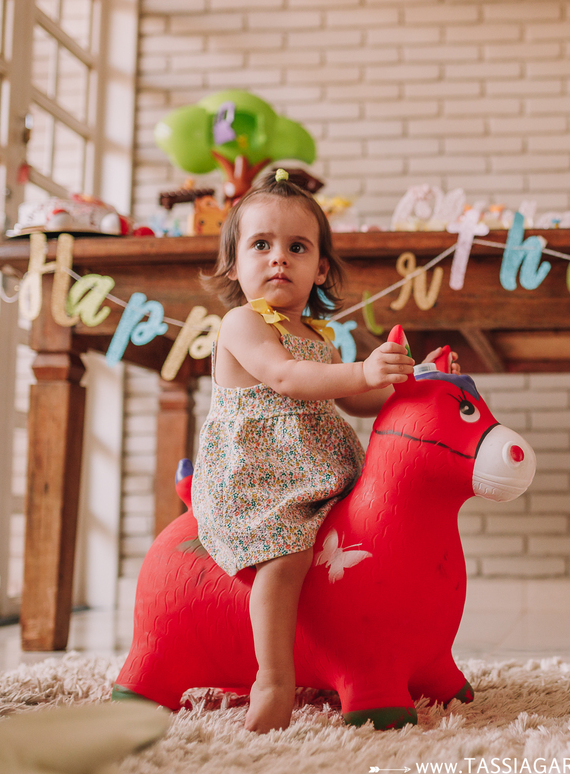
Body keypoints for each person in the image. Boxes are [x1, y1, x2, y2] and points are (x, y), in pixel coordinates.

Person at [192, 170, 454, 733]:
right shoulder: (242, 323)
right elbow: (285, 377)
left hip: (317, 475)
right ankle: (273, 679)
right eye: (260, 245)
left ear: (321, 269)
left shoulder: (321, 335)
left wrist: (405, 384)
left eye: (297, 247)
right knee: (286, 560)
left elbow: (356, 400)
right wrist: (359, 369)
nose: (278, 259)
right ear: (235, 264)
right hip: (259, 484)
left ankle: (380, 652)